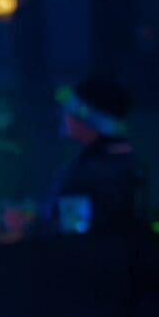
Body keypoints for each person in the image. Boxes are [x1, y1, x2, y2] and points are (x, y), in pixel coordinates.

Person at [45, 76, 147, 236]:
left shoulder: (90, 171)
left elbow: (73, 232)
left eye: (69, 110)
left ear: (88, 117)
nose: (63, 115)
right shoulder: (127, 161)